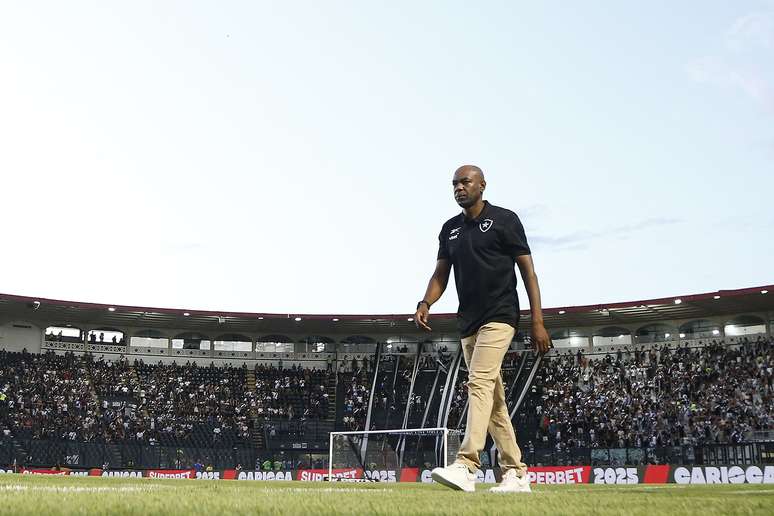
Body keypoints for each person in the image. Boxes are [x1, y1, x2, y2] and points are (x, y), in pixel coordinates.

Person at [414, 165, 550, 493]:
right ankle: (516, 474)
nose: (459, 188)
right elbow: (440, 275)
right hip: (468, 323)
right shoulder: (450, 230)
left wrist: (538, 320)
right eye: (454, 184)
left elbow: (528, 273)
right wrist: (425, 302)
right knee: (494, 402)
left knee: (478, 383)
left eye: (465, 182)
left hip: (500, 316)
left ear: (482, 185)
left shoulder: (505, 220)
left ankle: (467, 464)